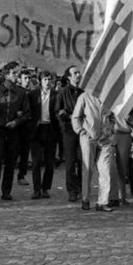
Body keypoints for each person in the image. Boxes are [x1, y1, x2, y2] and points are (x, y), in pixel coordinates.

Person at [0, 62, 31, 202]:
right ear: (6, 74)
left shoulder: (21, 93)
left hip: (13, 131)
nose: (17, 76)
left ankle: (6, 191)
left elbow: (27, 113)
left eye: (18, 73)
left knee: (10, 161)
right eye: (14, 73)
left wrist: (16, 122)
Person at [71, 90, 115, 212]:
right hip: (89, 138)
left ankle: (102, 202)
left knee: (105, 170)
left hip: (105, 139)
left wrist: (111, 131)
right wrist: (81, 131)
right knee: (87, 170)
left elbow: (113, 116)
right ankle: (85, 199)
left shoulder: (109, 97)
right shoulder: (84, 97)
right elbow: (76, 116)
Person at [27, 70, 58, 199]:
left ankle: (46, 188)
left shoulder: (56, 95)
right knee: (36, 162)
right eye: (45, 79)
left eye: (50, 79)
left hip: (50, 129)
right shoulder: (33, 95)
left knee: (50, 162)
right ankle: (36, 189)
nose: (47, 82)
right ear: (40, 81)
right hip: (37, 129)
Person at [55, 65, 84, 202]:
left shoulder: (84, 92)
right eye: (75, 73)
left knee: (83, 161)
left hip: (84, 131)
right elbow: (58, 112)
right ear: (69, 76)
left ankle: (81, 187)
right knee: (71, 161)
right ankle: (72, 190)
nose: (78, 75)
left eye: (79, 72)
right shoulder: (62, 93)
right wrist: (67, 117)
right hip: (69, 131)